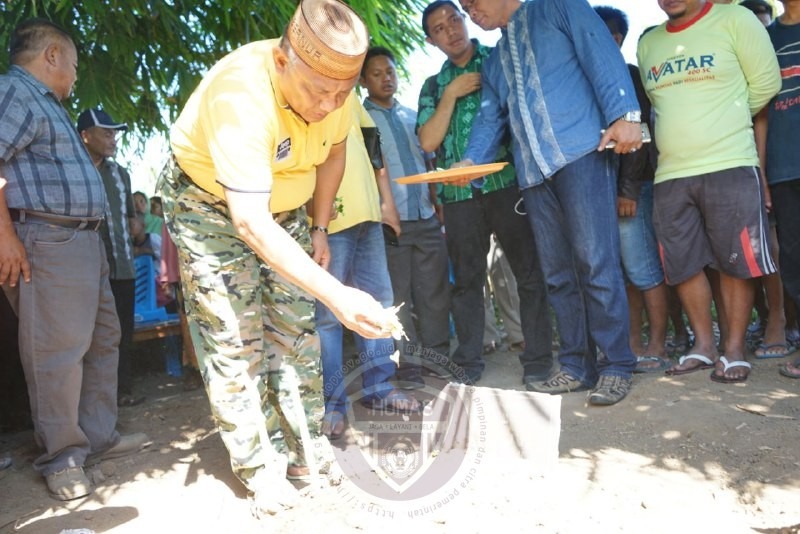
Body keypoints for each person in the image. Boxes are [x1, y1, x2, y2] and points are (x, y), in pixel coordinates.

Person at [158, 0, 389, 517]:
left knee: (295, 330)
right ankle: (262, 468)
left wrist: (319, 224)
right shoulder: (241, 93)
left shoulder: (335, 95)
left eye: (341, 94)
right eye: (318, 91)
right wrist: (337, 292)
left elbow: (333, 151)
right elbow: (249, 220)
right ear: (283, 63)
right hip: (210, 206)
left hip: (284, 207)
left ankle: (307, 454)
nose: (330, 104)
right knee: (236, 336)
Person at [456, 0, 642, 405]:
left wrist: (626, 113)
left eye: (471, 2)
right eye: (463, 6)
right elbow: (490, 119)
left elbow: (601, 52)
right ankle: (576, 365)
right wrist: (471, 160)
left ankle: (615, 365)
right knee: (557, 274)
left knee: (596, 262)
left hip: (582, 154)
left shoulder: (558, 6)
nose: (469, 10)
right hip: (533, 174)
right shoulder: (495, 61)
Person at [0, 18, 148, 501]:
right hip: (45, 239)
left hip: (83, 242)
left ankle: (96, 437)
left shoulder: (49, 105)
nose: (76, 75)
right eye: (75, 64)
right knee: (56, 352)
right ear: (51, 56)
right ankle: (62, 457)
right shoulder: (15, 93)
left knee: (103, 338)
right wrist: (5, 236)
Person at [638, 0, 781, 383]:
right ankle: (704, 345)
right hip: (670, 171)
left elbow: (767, 81)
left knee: (736, 259)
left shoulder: (735, 19)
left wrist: (725, 118)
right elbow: (658, 103)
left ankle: (734, 350)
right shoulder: (648, 43)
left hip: (730, 161)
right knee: (682, 263)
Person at [416, 0, 553, 387]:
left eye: (454, 20)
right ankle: (469, 362)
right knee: (467, 281)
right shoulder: (432, 86)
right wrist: (451, 95)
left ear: (464, 19)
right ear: (431, 40)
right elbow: (428, 139)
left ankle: (539, 358)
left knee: (528, 273)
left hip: (507, 183)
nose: (451, 31)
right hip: (458, 197)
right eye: (440, 29)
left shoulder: (500, 57)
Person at [316, 97, 419, 441]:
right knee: (329, 316)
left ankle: (380, 386)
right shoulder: (306, 97)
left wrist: (387, 203)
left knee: (380, 305)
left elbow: (375, 154)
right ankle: (333, 403)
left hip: (369, 218)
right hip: (329, 220)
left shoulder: (349, 100)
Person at [361, 46, 453, 386]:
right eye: (376, 73)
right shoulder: (362, 121)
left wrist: (437, 201)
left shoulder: (413, 116)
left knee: (434, 292)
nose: (386, 78)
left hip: (426, 217)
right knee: (398, 297)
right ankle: (410, 367)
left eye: (390, 71)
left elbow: (429, 163)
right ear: (363, 80)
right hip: (390, 224)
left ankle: (438, 360)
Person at [594, 6, 672, 374]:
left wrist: (627, 189)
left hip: (633, 189)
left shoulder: (629, 76)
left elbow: (640, 136)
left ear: (617, 39)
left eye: (603, 35)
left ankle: (657, 343)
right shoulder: (587, 82)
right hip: (600, 190)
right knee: (623, 274)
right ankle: (633, 342)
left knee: (643, 269)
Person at [78, 108, 145, 407]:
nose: (113, 139)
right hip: (88, 272)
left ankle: (123, 392)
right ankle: (91, 401)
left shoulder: (121, 174)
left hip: (124, 268)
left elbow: (133, 219)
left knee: (123, 333)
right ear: (85, 136)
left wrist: (137, 226)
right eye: (106, 133)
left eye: (114, 133)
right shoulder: (74, 171)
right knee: (89, 337)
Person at [756, 0, 800, 378]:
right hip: (784, 166)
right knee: (795, 261)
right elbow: (761, 112)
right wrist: (763, 171)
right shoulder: (765, 39)